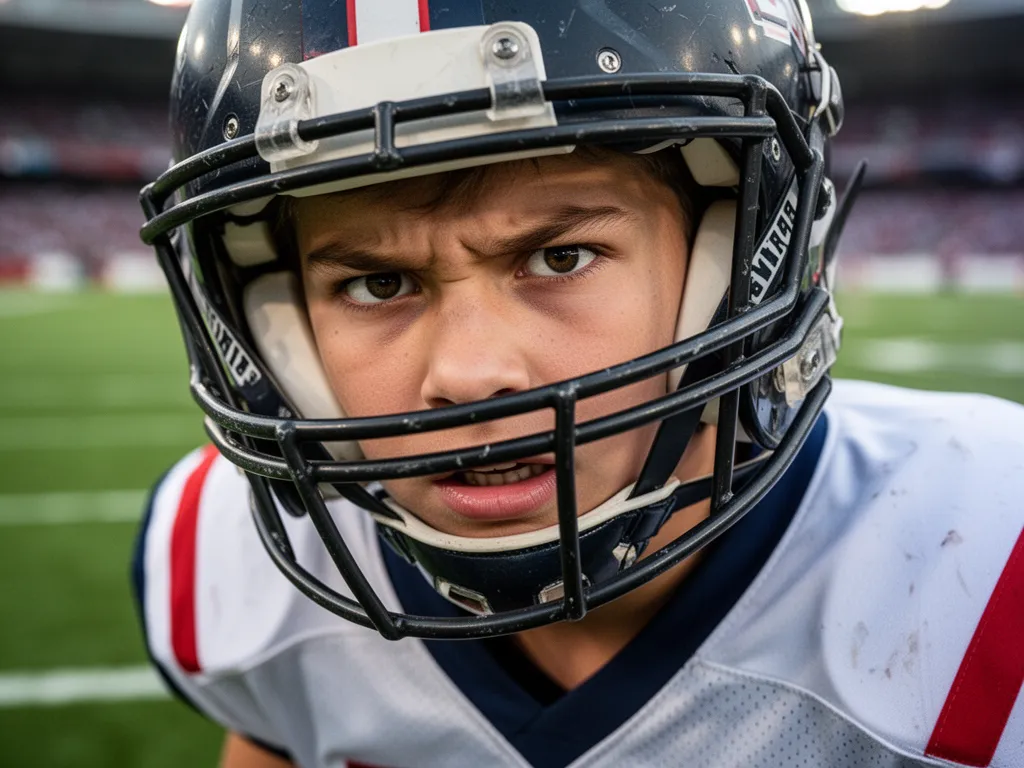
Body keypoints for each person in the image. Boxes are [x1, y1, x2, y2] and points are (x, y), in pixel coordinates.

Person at [131, 1, 1024, 766]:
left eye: (560, 256)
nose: (471, 375)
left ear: (747, 258)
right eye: (376, 282)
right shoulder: (235, 568)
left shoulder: (983, 568)